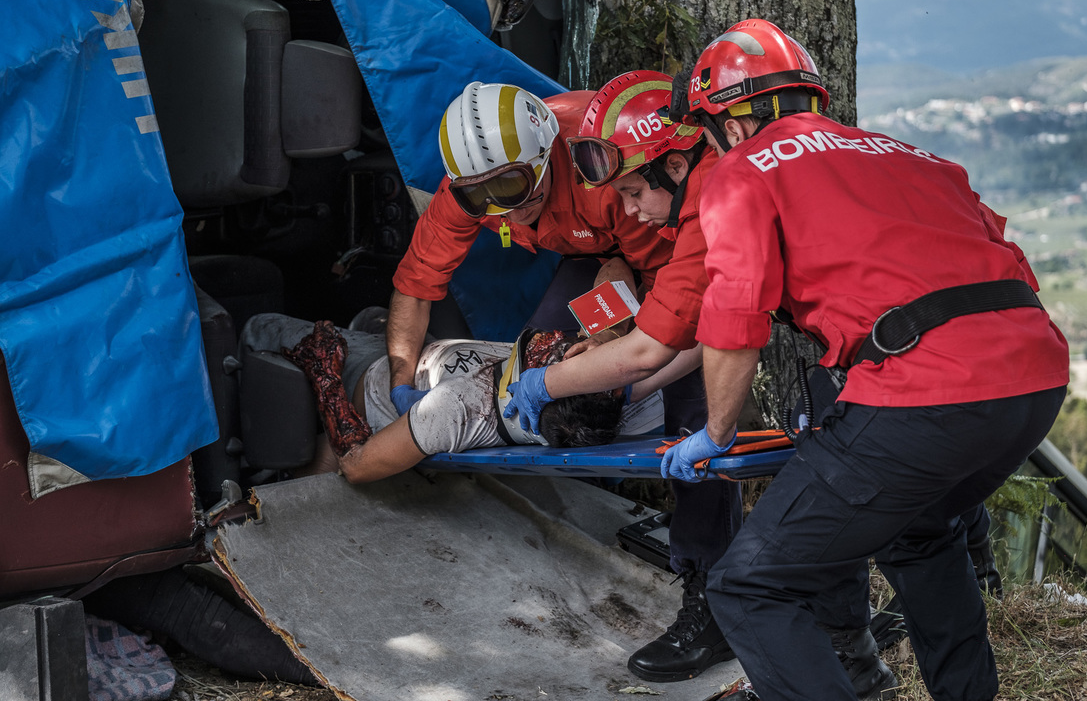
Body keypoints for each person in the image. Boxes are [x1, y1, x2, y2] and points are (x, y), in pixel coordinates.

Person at [662, 18, 1070, 701]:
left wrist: (716, 432)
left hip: (927, 393)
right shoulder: (911, 155)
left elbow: (736, 315)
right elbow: (1000, 255)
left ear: (729, 124)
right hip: (1034, 376)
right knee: (922, 528)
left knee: (750, 585)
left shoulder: (740, 171)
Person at [503, 70, 745, 683]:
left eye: (635, 191)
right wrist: (608, 327)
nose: (630, 209)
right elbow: (625, 270)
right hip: (654, 294)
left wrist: (615, 382)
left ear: (674, 164)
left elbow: (698, 339)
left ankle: (712, 601)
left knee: (699, 427)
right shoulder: (689, 190)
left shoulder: (710, 211)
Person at [385, 81, 675, 421]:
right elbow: (415, 286)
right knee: (541, 359)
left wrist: (617, 348)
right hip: (589, 253)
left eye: (514, 186)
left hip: (657, 242)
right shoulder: (465, 191)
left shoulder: (603, 171)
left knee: (671, 380)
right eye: (486, 199)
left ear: (547, 152)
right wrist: (400, 385)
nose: (510, 212)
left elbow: (665, 284)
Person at [241, 314, 669, 482]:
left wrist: (325, 372)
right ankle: (376, 327)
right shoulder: (624, 395)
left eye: (565, 347)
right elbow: (692, 341)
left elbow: (356, 465)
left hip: (366, 388)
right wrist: (609, 336)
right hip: (426, 359)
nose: (566, 336)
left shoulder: (456, 408)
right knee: (387, 325)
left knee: (259, 327)